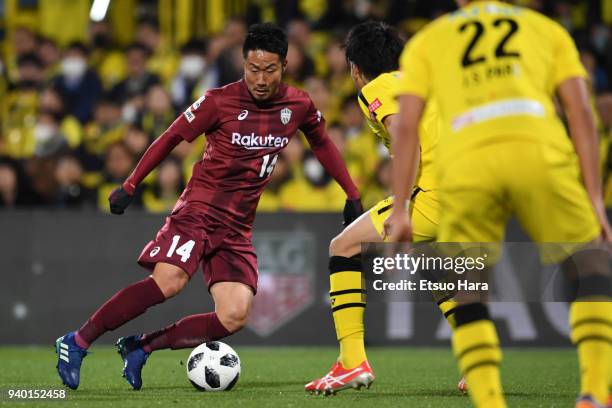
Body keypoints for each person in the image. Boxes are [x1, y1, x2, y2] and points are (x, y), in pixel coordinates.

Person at [55, 23, 363, 391]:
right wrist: (130, 184)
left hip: (236, 229)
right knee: (168, 282)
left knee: (234, 316)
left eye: (270, 70)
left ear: (284, 66)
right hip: (198, 212)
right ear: (242, 64)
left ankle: (141, 346)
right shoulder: (218, 101)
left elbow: (322, 143)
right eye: (253, 69)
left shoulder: (297, 105)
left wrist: (352, 192)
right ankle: (76, 342)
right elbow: (170, 137)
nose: (261, 79)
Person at [387, 1, 612, 407]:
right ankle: (595, 390)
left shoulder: (427, 41)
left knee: (468, 285)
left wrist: (401, 205)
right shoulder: (544, 29)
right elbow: (580, 110)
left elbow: (406, 127)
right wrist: (595, 197)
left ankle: (489, 400)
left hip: (467, 164)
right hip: (539, 153)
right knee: (589, 261)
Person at [305, 20, 463, 396]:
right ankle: (479, 357)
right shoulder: (419, 81)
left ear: (355, 69)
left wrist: (403, 206)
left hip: (433, 192)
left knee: (342, 247)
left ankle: (352, 361)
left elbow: (405, 137)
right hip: (464, 189)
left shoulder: (378, 87)